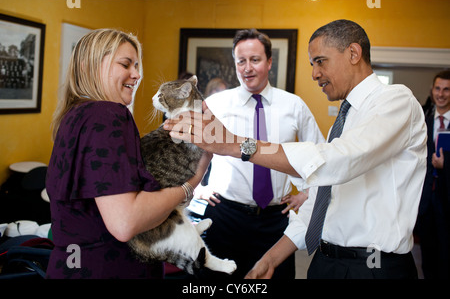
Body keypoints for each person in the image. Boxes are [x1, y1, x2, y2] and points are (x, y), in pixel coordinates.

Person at [164, 20, 427, 279]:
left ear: (353, 54)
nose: (314, 73)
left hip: (372, 267)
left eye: (320, 61)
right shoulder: (346, 118)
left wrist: (236, 145)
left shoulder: (396, 101)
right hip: (323, 260)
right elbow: (324, 198)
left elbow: (335, 163)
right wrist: (271, 259)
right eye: (312, 64)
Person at [45, 29, 210, 279]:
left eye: (136, 65)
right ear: (88, 67)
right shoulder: (109, 115)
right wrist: (192, 182)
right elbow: (125, 223)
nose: (137, 74)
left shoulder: (74, 116)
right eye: (125, 64)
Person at [193, 29, 324, 279]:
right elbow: (191, 150)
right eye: (241, 61)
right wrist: (196, 186)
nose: (247, 68)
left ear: (269, 62)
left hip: (274, 222)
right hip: (225, 216)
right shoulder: (216, 104)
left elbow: (319, 155)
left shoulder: (294, 106)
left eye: (255, 60)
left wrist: (308, 193)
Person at [416, 70, 450, 279]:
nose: (441, 94)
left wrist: (447, 164)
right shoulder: (423, 123)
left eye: (447, 89)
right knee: (427, 257)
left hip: (448, 201)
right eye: (438, 88)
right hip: (426, 201)